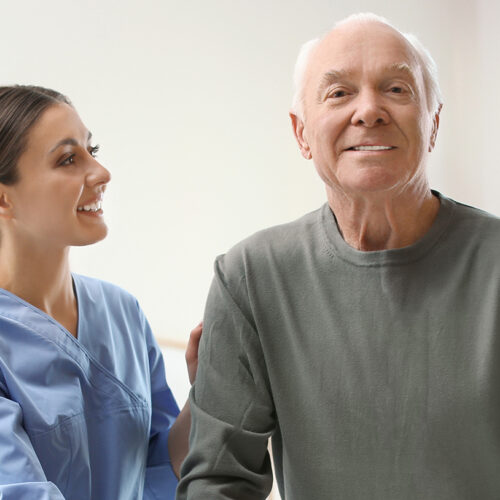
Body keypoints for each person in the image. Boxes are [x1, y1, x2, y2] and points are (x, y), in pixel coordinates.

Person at [177, 12, 500, 500]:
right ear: (302, 133)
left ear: (433, 123)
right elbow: (218, 482)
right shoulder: (249, 277)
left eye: (396, 89)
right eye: (339, 93)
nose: (368, 111)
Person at [0, 85, 202, 499]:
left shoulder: (121, 312)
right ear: (4, 198)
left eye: (93, 150)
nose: (101, 172)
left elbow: (157, 464)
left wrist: (207, 397)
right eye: (68, 159)